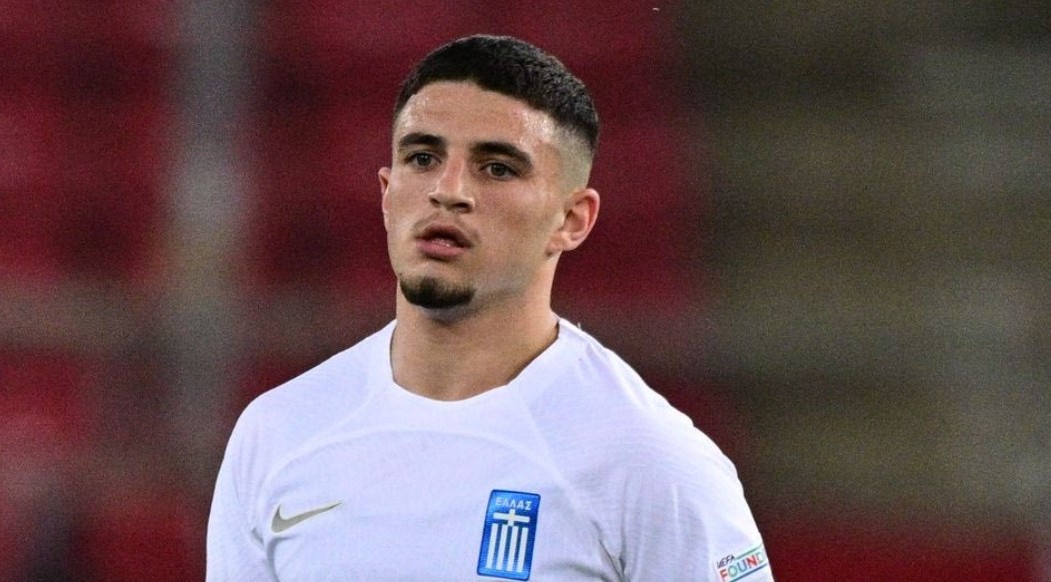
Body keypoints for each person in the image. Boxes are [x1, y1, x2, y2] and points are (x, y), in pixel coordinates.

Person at [207, 34, 772, 581]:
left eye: (497, 167)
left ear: (572, 220)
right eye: (422, 158)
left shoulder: (648, 459)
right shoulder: (278, 433)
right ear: (386, 193)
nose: (448, 190)